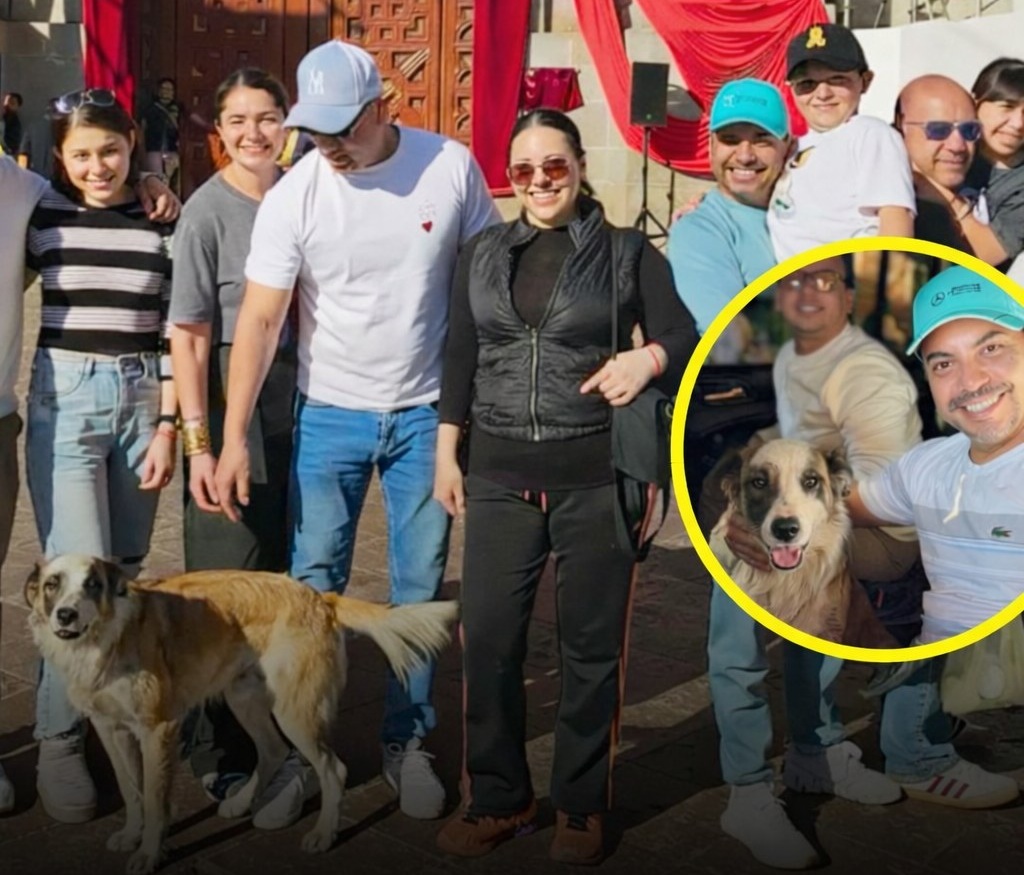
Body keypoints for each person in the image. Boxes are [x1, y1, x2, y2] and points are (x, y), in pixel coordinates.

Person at [212, 38, 500, 824]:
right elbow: (260, 320)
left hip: (424, 414)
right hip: (329, 413)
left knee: (418, 587)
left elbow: (488, 282)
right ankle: (303, 754)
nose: (329, 144)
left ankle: (410, 739)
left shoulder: (449, 167)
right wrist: (233, 436)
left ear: (382, 107)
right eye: (316, 129)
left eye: (344, 126)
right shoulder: (296, 194)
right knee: (311, 588)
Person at [433, 108, 697, 865]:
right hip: (498, 474)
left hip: (594, 474)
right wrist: (447, 450)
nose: (540, 181)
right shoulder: (482, 251)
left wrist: (646, 360)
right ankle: (498, 797)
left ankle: (581, 804)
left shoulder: (626, 251)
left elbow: (683, 333)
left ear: (580, 166)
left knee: (590, 647)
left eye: (555, 165)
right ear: (508, 178)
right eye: (524, 170)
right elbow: (460, 353)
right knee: (488, 640)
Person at [726, 265, 1022, 818]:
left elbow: (869, 485)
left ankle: (884, 741)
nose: (971, 378)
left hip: (892, 540)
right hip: (878, 512)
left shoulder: (864, 371)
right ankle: (874, 747)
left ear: (848, 298)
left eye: (992, 348)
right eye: (944, 362)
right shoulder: (797, 361)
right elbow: (852, 488)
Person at [25, 88, 177, 824]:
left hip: (142, 400)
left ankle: (112, 713)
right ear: (61, 156)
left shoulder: (162, 216)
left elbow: (176, 324)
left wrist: (171, 424)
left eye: (111, 150)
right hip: (66, 400)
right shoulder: (41, 215)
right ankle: (58, 739)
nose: (98, 166)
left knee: (124, 574)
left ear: (133, 142)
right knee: (74, 578)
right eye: (81, 154)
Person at [169, 68, 294, 813]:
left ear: (287, 122)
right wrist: (200, 445)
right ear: (218, 131)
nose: (254, 133)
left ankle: (282, 738)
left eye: (266, 116)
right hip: (225, 408)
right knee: (224, 590)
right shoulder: (206, 212)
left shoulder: (307, 194)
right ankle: (216, 747)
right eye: (238, 120)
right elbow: (187, 336)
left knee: (282, 581)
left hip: (298, 408)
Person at [768, 22, 915, 261]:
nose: (822, 94)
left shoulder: (871, 134)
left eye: (837, 80)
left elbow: (896, 226)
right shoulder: (795, 146)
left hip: (845, 281)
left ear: (865, 81)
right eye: (807, 84)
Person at [895, 75, 991, 257]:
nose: (957, 146)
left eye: (969, 130)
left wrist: (948, 201)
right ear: (902, 125)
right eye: (939, 130)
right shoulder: (874, 201)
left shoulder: (994, 190)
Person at [966, 58, 1024, 272]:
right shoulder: (948, 143)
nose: (1018, 124)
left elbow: (984, 254)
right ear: (975, 103)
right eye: (1007, 107)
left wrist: (939, 193)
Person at [141, 77, 184, 192]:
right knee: (158, 184)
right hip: (154, 150)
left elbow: (183, 128)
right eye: (164, 89)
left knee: (174, 184)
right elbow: (142, 129)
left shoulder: (178, 109)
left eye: (170, 90)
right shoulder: (150, 110)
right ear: (159, 91)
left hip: (172, 151)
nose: (166, 93)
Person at [2, 92, 23, 156]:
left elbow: (10, 146)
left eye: (12, 103)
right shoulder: (3, 119)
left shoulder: (15, 125)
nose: (7, 105)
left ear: (18, 106)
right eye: (6, 102)